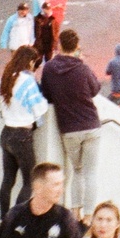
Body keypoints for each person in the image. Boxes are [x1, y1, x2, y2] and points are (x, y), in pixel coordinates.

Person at [40, 29, 104, 216]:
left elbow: (47, 94)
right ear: (76, 46)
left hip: (68, 128)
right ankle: (89, 215)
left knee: (77, 170)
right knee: (90, 173)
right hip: (91, 125)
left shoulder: (50, 68)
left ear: (59, 45)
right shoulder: (82, 69)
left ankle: (75, 212)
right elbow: (95, 89)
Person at [0, 45, 46, 217]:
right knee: (29, 182)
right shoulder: (27, 82)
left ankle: (4, 218)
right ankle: (16, 220)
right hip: (22, 136)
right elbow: (40, 108)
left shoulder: (5, 78)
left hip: (6, 133)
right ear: (30, 62)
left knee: (8, 180)